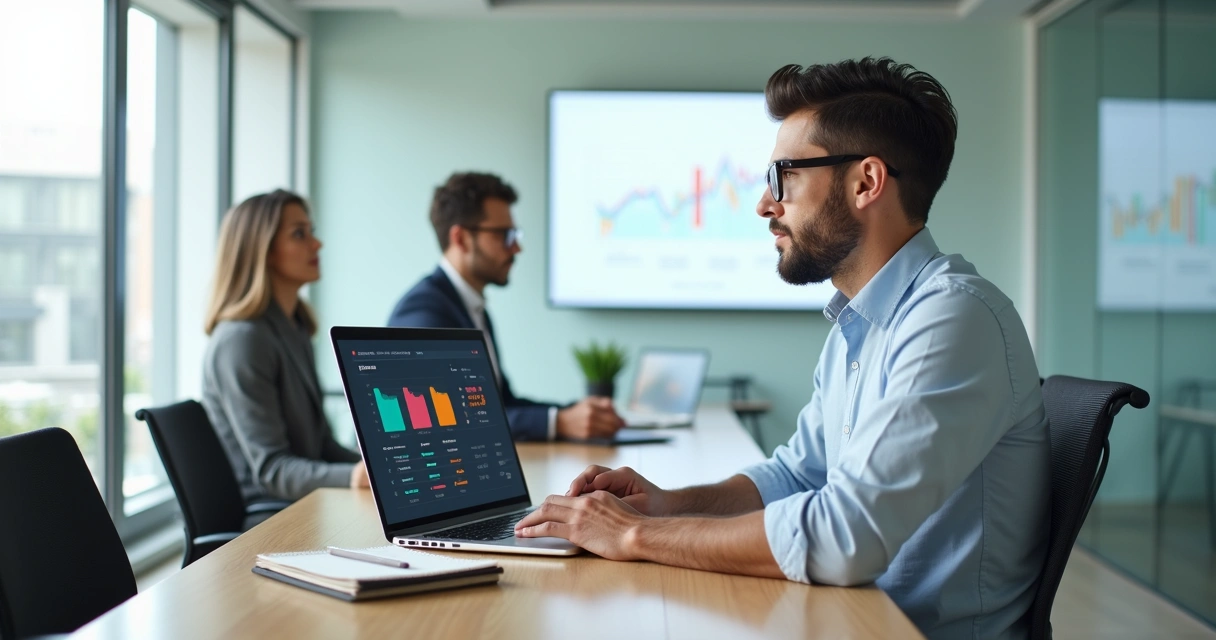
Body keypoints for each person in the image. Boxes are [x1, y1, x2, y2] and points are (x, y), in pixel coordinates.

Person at [516, 57, 1050, 640]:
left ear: (866, 182)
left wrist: (631, 536)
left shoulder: (954, 318)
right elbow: (797, 476)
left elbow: (845, 537)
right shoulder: (859, 324)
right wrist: (664, 506)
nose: (764, 205)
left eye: (783, 177)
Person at [387, 172, 625, 442]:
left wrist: (574, 412)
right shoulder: (424, 312)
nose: (516, 248)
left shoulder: (472, 308)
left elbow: (500, 403)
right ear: (461, 238)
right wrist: (558, 422)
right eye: (505, 235)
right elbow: (451, 416)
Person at [202, 189, 369, 503]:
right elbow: (272, 470)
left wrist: (377, 471)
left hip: (305, 504)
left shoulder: (294, 327)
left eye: (312, 232)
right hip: (270, 518)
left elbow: (322, 445)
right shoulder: (242, 340)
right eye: (299, 234)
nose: (316, 244)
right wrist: (353, 477)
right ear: (262, 251)